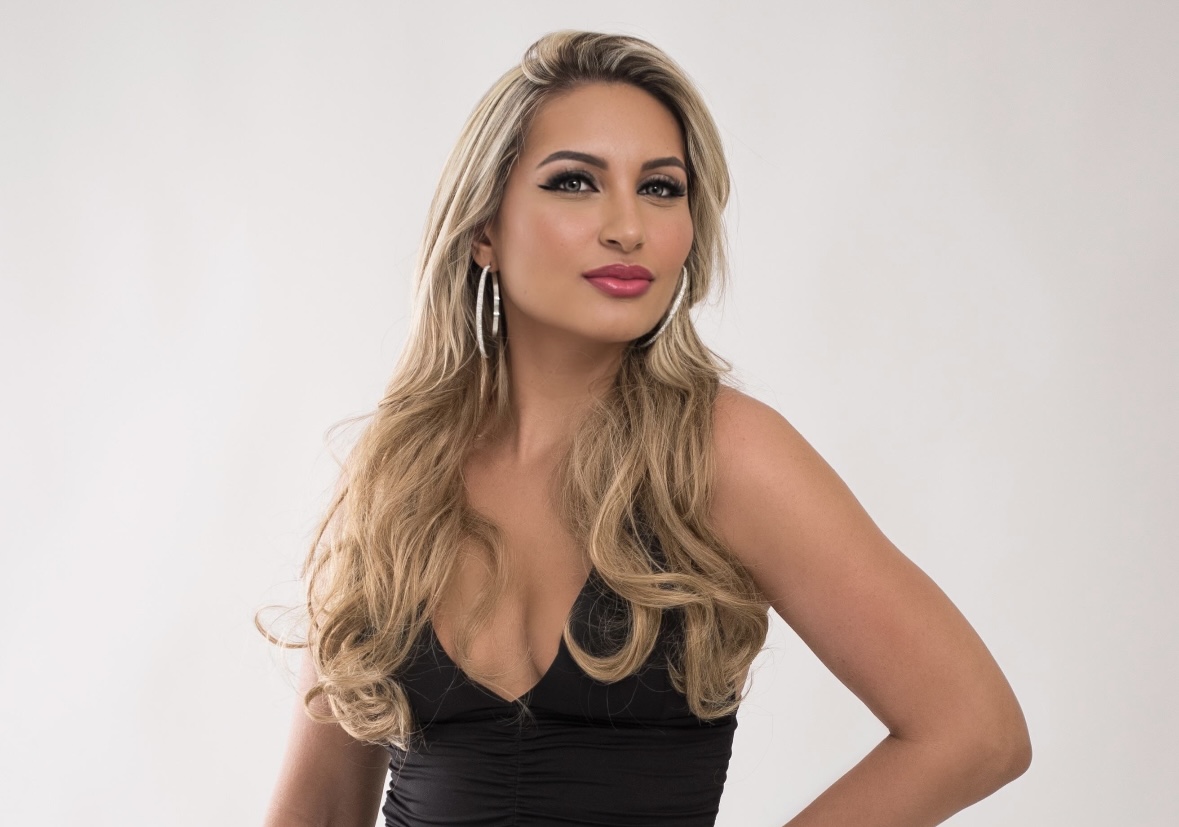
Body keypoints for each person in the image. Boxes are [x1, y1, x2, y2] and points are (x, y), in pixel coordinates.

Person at [261, 30, 1031, 827]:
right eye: (575, 183)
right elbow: (320, 809)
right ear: (483, 228)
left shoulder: (724, 452)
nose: (627, 226)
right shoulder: (393, 473)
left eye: (661, 188)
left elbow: (975, 732)